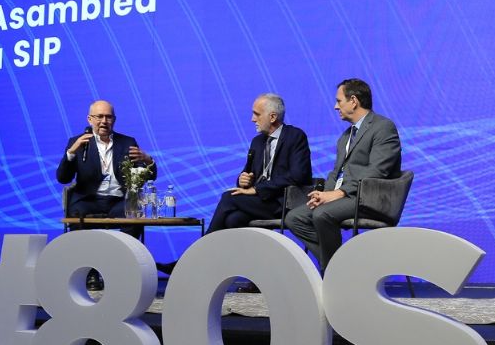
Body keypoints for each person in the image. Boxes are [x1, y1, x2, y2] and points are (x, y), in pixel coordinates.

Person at [157, 93, 312, 281]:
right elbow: (247, 173)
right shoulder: (257, 141)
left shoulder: (295, 136)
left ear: (272, 117)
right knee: (233, 220)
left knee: (228, 198)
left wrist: (258, 190)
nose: (252, 119)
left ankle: (189, 261)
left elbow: (299, 175)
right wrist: (243, 180)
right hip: (260, 202)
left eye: (256, 114)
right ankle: (250, 276)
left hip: (282, 202)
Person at [285, 78, 401, 272]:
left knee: (323, 214)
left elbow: (378, 170)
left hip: (370, 198)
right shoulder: (346, 136)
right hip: (345, 196)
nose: (335, 106)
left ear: (353, 101)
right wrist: (323, 194)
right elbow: (336, 172)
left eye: (339, 101)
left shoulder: (383, 127)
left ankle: (332, 270)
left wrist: (338, 194)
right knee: (294, 218)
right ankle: (339, 266)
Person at [57, 100, 156, 289]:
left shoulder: (127, 142)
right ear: (90, 119)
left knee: (133, 215)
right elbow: (62, 178)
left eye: (108, 117)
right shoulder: (78, 143)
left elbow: (147, 177)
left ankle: (122, 270)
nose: (104, 121)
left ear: (114, 120)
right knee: (77, 216)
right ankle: (89, 272)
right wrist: (70, 153)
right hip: (88, 200)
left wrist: (148, 160)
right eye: (99, 117)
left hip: (118, 200)